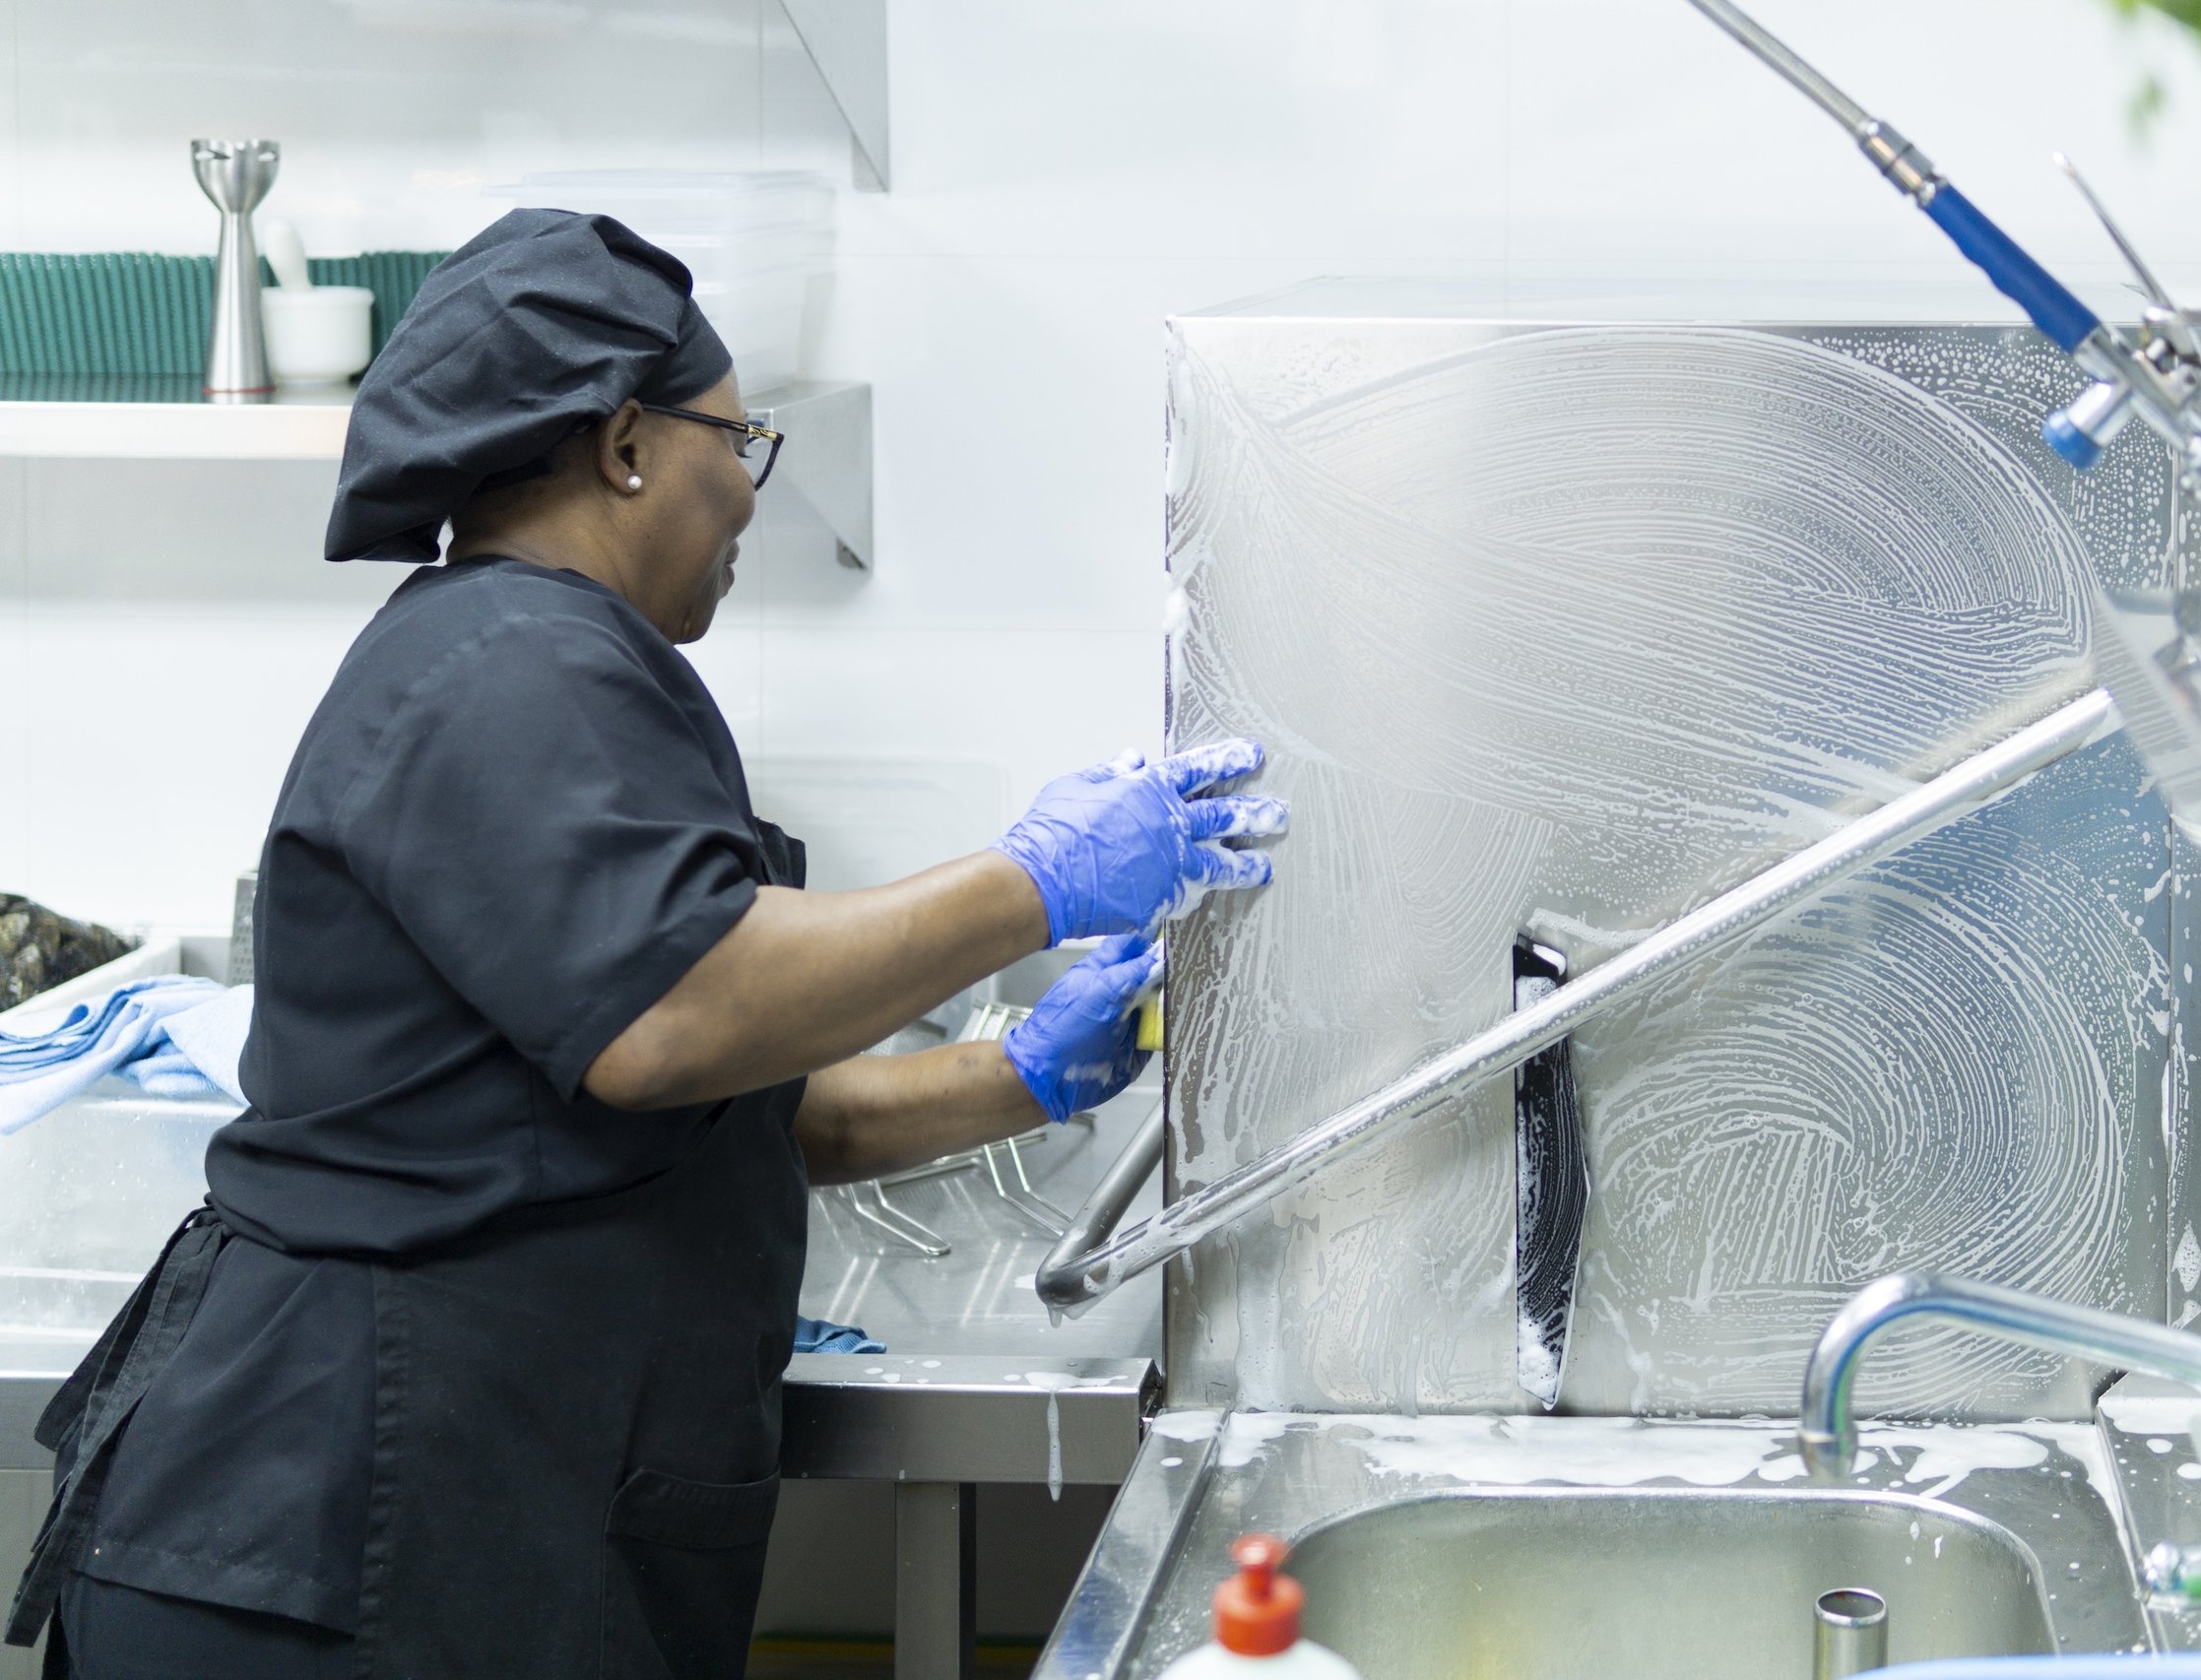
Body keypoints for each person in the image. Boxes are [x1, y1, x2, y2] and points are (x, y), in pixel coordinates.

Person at [3, 210, 1287, 1679]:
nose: (747, 497)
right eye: (735, 446)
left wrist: (1022, 1077)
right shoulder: (512, 662)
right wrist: (1033, 883)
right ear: (624, 443)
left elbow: (710, 1096)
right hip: (349, 1545)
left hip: (425, 1529)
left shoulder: (539, 660)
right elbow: (677, 1015)